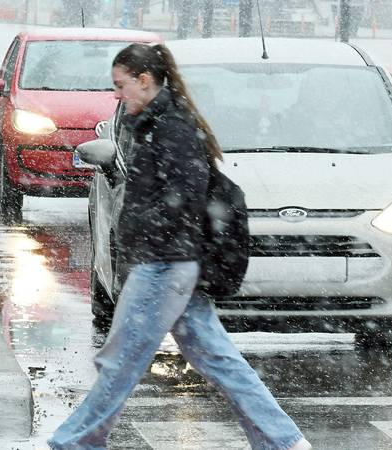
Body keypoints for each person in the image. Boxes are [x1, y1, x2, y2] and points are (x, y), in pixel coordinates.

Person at [47, 43, 312, 450]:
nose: (116, 95)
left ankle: (75, 441)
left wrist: (142, 232)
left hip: (165, 265)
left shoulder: (172, 127)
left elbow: (184, 200)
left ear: (144, 81)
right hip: (168, 263)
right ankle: (284, 441)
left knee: (121, 361)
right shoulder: (154, 124)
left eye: (120, 85)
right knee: (218, 361)